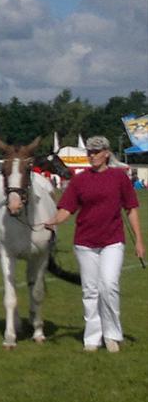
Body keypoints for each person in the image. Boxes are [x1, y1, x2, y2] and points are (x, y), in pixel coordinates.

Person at [46, 135, 143, 353]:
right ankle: (92, 337)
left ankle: (112, 335)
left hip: (112, 241)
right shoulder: (80, 180)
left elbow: (131, 210)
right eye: (89, 152)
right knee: (90, 290)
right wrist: (52, 221)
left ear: (107, 153)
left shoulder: (120, 178)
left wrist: (139, 241)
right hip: (85, 242)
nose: (92, 155)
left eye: (96, 152)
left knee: (108, 286)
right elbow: (67, 209)